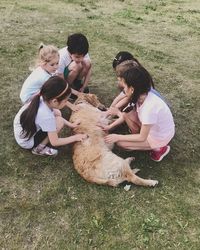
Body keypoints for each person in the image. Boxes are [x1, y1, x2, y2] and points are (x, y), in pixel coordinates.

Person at [102, 65, 175, 162]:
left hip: (159, 136)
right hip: (153, 128)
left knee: (120, 143)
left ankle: (160, 148)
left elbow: (142, 137)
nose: (123, 90)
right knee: (127, 112)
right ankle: (137, 135)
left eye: (124, 87)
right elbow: (124, 115)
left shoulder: (149, 108)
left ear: (132, 89)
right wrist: (109, 127)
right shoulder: (140, 95)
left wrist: (117, 136)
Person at [14, 76, 87, 156]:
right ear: (54, 101)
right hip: (27, 142)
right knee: (59, 121)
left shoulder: (42, 97)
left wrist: (72, 125)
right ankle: (39, 149)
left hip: (22, 133)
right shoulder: (46, 116)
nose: (67, 103)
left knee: (57, 113)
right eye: (65, 101)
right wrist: (76, 137)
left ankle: (40, 141)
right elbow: (55, 142)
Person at [20, 44, 77, 111]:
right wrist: (71, 106)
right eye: (52, 64)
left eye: (57, 63)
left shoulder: (45, 69)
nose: (56, 67)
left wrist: (77, 93)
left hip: (30, 94)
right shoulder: (44, 77)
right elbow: (57, 92)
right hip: (28, 99)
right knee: (53, 103)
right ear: (43, 63)